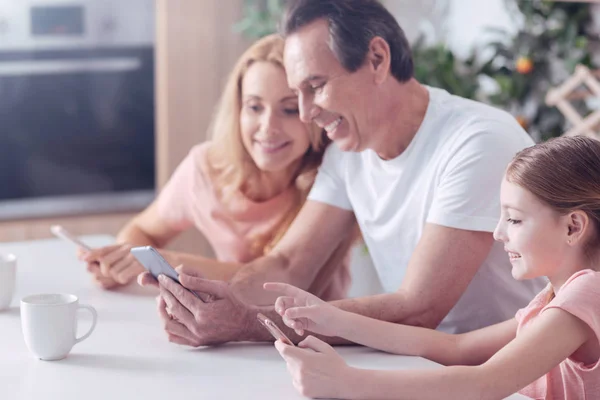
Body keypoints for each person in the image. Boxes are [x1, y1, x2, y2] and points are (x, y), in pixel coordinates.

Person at [140, 0, 545, 346]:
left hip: (503, 371)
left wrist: (247, 323)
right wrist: (209, 302)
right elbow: (287, 263)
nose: (305, 113)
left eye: (315, 86)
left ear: (377, 59)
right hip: (414, 361)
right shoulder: (350, 150)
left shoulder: (477, 141)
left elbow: (419, 308)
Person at [268, 135, 600, 400]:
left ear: (573, 227)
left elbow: (484, 385)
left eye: (513, 219)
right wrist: (331, 318)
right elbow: (455, 348)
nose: (498, 233)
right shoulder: (554, 297)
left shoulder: (587, 293)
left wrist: (345, 381)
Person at [79, 34, 354, 311]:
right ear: (237, 110)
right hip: (228, 335)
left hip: (313, 339)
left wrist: (167, 262)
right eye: (254, 107)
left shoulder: (334, 176)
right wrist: (121, 263)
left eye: (289, 109)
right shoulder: (206, 168)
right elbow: (142, 230)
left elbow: (282, 284)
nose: (268, 127)